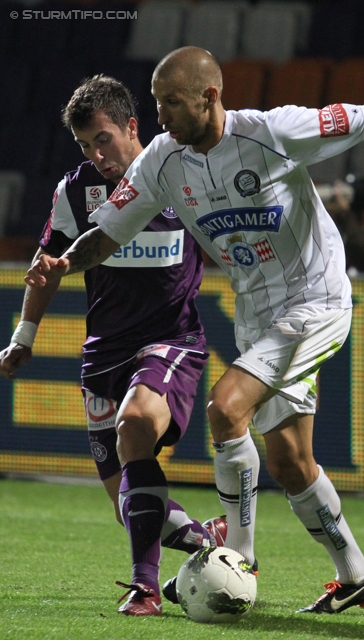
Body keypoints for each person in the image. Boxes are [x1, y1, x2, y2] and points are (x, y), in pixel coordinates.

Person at [25, 48, 364, 615]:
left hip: (315, 297)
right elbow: (106, 235)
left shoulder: (274, 131)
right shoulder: (162, 159)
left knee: (225, 409)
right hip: (257, 310)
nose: (161, 115)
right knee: (288, 460)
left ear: (209, 97)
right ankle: (356, 574)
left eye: (171, 103)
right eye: (156, 103)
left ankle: (238, 556)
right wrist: (65, 264)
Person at [0, 74, 228, 617]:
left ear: (132, 126)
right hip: (104, 354)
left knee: (135, 427)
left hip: (169, 341)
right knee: (125, 502)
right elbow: (46, 268)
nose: (96, 154)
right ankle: (207, 541)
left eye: (103, 139)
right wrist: (22, 337)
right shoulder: (75, 191)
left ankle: (144, 588)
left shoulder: (181, 172)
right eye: (85, 145)